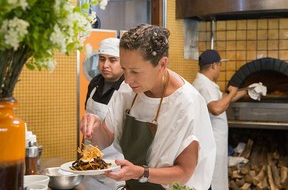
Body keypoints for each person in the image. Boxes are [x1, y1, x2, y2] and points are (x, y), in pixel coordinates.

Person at [81, 24, 216, 190]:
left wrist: (140, 173)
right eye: (124, 69)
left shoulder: (187, 103)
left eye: (136, 72)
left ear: (162, 64)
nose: (128, 79)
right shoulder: (127, 90)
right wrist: (95, 127)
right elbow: (105, 140)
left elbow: (184, 172)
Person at [192, 49, 247, 190]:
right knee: (212, 180)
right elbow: (216, 108)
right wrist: (232, 93)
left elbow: (223, 99)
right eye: (220, 66)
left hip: (215, 142)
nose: (220, 69)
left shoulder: (207, 83)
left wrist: (247, 91)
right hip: (210, 143)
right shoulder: (203, 85)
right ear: (214, 65)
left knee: (216, 177)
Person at [84, 37, 125, 189]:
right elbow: (88, 123)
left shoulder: (127, 87)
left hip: (115, 164)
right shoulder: (95, 83)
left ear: (123, 62)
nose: (105, 65)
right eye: (102, 59)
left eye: (112, 60)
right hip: (89, 162)